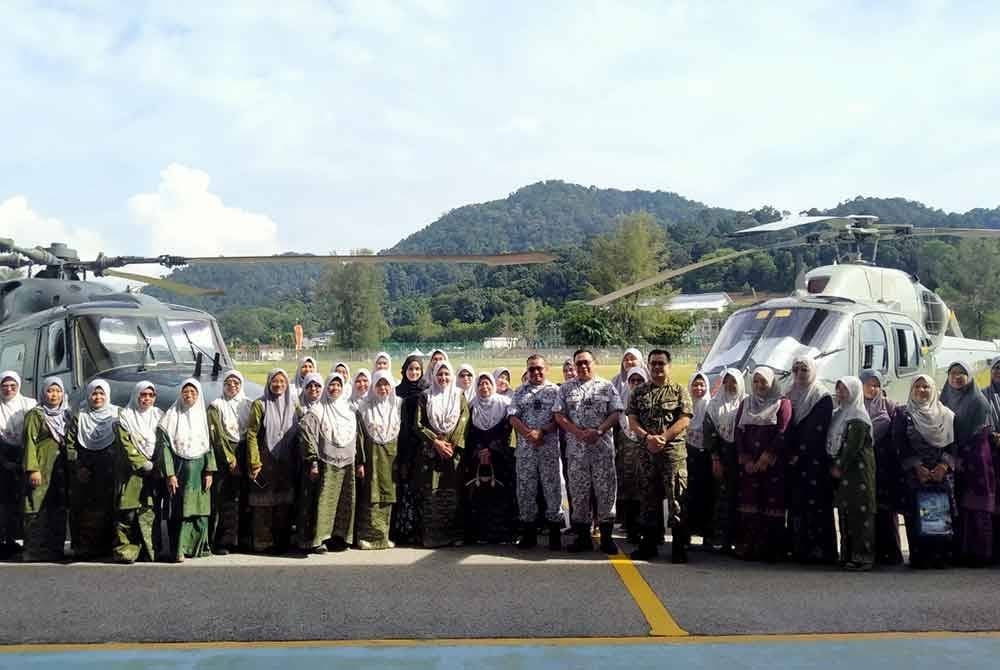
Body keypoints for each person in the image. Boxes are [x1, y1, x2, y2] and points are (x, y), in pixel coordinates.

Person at [627, 350, 692, 562]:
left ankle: (679, 547)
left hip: (672, 453)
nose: (657, 367)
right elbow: (632, 420)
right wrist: (647, 438)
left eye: (661, 364)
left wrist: (663, 437)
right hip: (646, 453)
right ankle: (649, 544)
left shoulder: (679, 391)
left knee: (677, 499)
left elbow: (684, 419)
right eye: (653, 364)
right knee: (648, 499)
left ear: (669, 366)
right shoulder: (638, 392)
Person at [556, 349, 622, 554]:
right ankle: (583, 537)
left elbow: (617, 412)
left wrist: (600, 430)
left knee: (606, 492)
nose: (583, 366)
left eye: (586, 362)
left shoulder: (607, 386)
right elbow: (559, 414)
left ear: (595, 363)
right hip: (577, 452)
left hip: (602, 450)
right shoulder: (565, 389)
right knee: (579, 494)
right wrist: (577, 432)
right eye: (579, 364)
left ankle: (607, 538)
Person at [895, 375, 956, 569]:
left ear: (933, 390)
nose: (922, 390)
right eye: (917, 387)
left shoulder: (947, 415)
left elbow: (954, 444)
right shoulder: (903, 414)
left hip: (940, 475)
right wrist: (917, 466)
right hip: (915, 475)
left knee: (939, 513)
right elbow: (899, 443)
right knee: (915, 514)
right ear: (912, 390)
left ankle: (940, 557)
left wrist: (943, 467)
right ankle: (920, 558)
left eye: (926, 387)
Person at [733, 367, 792, 562]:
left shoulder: (782, 403)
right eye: (756, 381)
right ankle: (748, 548)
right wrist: (746, 458)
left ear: (772, 383)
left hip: (772, 465)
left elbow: (783, 432)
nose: (759, 385)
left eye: (763, 382)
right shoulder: (745, 403)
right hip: (749, 465)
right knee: (750, 503)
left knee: (772, 504)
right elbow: (738, 432)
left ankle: (771, 550)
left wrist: (766, 457)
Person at [940, 362, 995, 567]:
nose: (957, 377)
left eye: (962, 373)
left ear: (970, 376)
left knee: (975, 507)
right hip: (953, 459)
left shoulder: (978, 401)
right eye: (953, 373)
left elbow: (979, 435)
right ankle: (958, 552)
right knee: (957, 507)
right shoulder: (944, 397)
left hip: (975, 459)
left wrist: (959, 457)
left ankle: (979, 554)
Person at [298, 373, 358, 554]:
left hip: (347, 462)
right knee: (325, 501)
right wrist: (313, 460)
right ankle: (320, 539)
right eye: (331, 385)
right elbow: (306, 432)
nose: (335, 389)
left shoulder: (348, 411)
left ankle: (340, 538)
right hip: (326, 462)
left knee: (344, 501)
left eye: (338, 385)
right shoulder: (318, 410)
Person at [509, 355, 564, 550]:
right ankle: (528, 534)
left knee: (552, 490)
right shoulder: (519, 391)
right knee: (525, 491)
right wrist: (528, 433)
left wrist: (542, 431)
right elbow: (513, 417)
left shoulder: (555, 391)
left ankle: (555, 534)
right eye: (532, 369)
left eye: (539, 368)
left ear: (546, 369)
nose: (536, 372)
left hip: (548, 449)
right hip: (526, 451)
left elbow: (560, 418)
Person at [785, 357, 836, 565]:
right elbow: (785, 424)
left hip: (814, 461)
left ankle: (820, 551)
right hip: (794, 462)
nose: (799, 373)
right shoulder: (789, 394)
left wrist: (800, 452)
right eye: (795, 369)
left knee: (817, 505)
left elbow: (817, 430)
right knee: (796, 504)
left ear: (813, 370)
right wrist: (788, 451)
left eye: (804, 369)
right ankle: (798, 549)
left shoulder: (821, 396)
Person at [158, 379, 215, 562]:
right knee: (180, 511)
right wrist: (170, 473)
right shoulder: (171, 417)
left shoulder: (203, 417)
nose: (189, 395)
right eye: (186, 392)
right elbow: (165, 447)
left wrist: (209, 471)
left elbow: (209, 445)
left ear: (198, 395)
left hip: (199, 472)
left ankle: (197, 548)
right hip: (180, 471)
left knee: (199, 510)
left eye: (193, 392)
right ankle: (179, 549)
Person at [416, 361, 470, 548]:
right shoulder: (426, 396)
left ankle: (455, 536)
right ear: (434, 376)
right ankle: (433, 537)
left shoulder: (459, 395)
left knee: (453, 493)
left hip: (453, 454)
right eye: (440, 374)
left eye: (447, 374)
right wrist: (436, 442)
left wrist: (452, 445)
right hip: (431, 453)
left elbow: (464, 420)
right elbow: (419, 424)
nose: (443, 378)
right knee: (433, 494)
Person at [246, 369, 300, 554]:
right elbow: (252, 434)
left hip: (286, 461)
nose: (278, 385)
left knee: (283, 504)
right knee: (264, 505)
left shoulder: (293, 403)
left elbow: (303, 424)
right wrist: (254, 461)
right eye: (275, 382)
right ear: (269, 383)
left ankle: (282, 541)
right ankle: (263, 542)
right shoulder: (260, 404)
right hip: (265, 459)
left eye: (282, 382)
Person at [67, 379, 119, 560]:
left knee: (108, 508)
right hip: (85, 472)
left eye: (101, 393)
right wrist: (78, 467)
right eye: (94, 394)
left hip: (109, 470)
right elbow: (70, 445)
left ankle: (107, 547)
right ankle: (85, 549)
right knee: (85, 511)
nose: (98, 397)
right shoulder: (80, 417)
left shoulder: (116, 415)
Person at [828, 376, 875, 571]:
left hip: (857, 471)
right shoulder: (839, 413)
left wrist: (839, 465)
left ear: (854, 392)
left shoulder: (858, 416)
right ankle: (847, 554)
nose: (840, 393)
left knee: (860, 512)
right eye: (838, 389)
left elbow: (851, 447)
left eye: (845, 390)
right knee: (845, 511)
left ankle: (862, 557)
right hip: (844, 472)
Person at [21, 377, 69, 561]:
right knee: (35, 506)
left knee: (57, 507)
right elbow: (29, 443)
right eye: (50, 391)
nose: (54, 395)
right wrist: (32, 469)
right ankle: (33, 551)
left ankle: (55, 549)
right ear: (44, 393)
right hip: (41, 467)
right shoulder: (36, 415)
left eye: (57, 391)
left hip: (59, 469)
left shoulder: (66, 414)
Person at [465, 372, 517, 544]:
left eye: (487, 384)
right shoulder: (472, 406)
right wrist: (479, 451)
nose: (484, 387)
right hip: (478, 457)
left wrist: (492, 450)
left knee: (502, 495)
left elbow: (507, 431)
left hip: (500, 457)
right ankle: (482, 534)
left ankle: (503, 535)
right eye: (480, 384)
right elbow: (469, 434)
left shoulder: (504, 404)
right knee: (481, 496)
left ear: (492, 386)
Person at [115, 382, 163, 563]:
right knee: (128, 512)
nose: (147, 399)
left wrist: (157, 465)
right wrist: (142, 463)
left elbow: (163, 442)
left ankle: (151, 551)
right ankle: (126, 550)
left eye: (151, 395)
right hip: (131, 473)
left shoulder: (159, 415)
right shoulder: (125, 417)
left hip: (153, 473)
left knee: (149, 511)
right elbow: (125, 445)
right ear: (136, 396)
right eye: (143, 395)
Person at [356, 370, 403, 549]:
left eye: (386, 384)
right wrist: (360, 461)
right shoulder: (364, 407)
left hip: (391, 458)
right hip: (371, 457)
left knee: (387, 495)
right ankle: (366, 537)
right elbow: (359, 437)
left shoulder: (398, 405)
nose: (383, 388)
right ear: (373, 387)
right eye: (379, 384)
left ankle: (383, 537)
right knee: (370, 495)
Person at [207, 370, 251, 555]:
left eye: (236, 383)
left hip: (244, 452)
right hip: (225, 456)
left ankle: (241, 539)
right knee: (225, 499)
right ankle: (223, 541)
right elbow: (217, 435)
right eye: (228, 383)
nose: (232, 386)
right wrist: (230, 459)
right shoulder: (216, 406)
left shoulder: (247, 404)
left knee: (243, 498)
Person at [861, 370, 903, 565]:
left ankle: (892, 553)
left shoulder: (889, 406)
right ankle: (872, 552)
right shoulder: (854, 405)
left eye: (876, 384)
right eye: (868, 384)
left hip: (884, 466)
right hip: (861, 465)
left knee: (887, 510)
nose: (873, 388)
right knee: (868, 508)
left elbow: (897, 435)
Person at [704, 368, 746, 553]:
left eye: (734, 381)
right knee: (720, 497)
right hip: (721, 456)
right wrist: (715, 458)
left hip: (741, 458)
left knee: (740, 498)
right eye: (726, 381)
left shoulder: (747, 403)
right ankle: (720, 539)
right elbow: (709, 433)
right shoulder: (714, 405)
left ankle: (737, 538)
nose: (730, 385)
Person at [390, 355, 427, 546]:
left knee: (419, 487)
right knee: (403, 488)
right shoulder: (396, 392)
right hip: (401, 445)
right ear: (404, 371)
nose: (414, 373)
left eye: (417, 370)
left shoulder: (427, 391)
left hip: (421, 446)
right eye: (410, 369)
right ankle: (403, 530)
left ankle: (419, 530)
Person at [0, 370, 35, 558]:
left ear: (19, 386)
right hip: (2, 456)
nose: (8, 389)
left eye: (13, 386)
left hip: (25, 453)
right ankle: (6, 540)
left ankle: (25, 539)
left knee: (24, 498)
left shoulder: (29, 404)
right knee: (4, 501)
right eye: (4, 386)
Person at [614, 367, 649, 544]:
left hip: (645, 455)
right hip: (625, 456)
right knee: (628, 491)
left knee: (645, 491)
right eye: (632, 380)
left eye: (639, 380)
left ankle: (646, 528)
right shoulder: (620, 403)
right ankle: (630, 528)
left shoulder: (650, 402)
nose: (636, 384)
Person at [686, 372, 714, 547]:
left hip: (706, 457)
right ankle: (686, 534)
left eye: (702, 385)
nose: (698, 388)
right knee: (688, 496)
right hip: (688, 455)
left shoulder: (711, 406)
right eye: (695, 385)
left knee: (707, 495)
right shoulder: (686, 406)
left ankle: (707, 536)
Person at [981, 357, 1000, 564]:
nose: (998, 371)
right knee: (993, 505)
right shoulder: (983, 395)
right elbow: (982, 421)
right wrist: (994, 435)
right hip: (991, 457)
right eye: (996, 368)